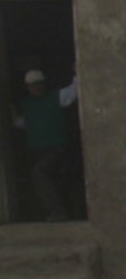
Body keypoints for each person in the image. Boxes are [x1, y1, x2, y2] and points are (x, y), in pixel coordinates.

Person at [13, 69, 78, 221]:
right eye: (32, 85)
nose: (36, 87)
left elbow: (74, 90)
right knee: (46, 180)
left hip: (56, 149)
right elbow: (24, 123)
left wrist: (77, 71)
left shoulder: (56, 96)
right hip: (36, 151)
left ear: (44, 84)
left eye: (38, 84)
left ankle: (58, 212)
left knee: (39, 173)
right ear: (27, 87)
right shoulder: (26, 104)